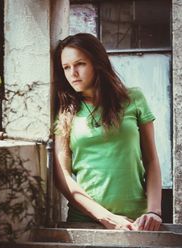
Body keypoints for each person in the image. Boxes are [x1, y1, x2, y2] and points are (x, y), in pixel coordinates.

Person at [53, 33, 162, 231]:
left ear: (97, 62)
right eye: (66, 67)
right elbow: (62, 177)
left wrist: (154, 211)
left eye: (80, 64)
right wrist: (106, 217)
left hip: (137, 221)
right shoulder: (65, 110)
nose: (73, 73)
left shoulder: (133, 98)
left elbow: (152, 160)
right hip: (85, 222)